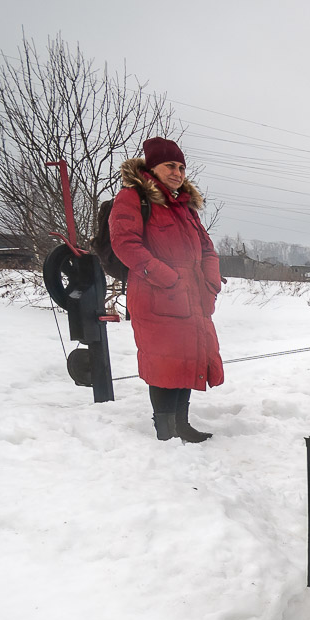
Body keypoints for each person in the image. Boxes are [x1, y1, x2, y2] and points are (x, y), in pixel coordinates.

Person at [108, 136, 223, 442]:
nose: (178, 173)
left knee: (189, 357)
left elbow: (207, 248)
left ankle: (181, 424)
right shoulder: (133, 197)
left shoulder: (185, 205)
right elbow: (125, 244)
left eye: (181, 167)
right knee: (164, 361)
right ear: (152, 167)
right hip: (156, 294)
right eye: (170, 166)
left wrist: (210, 283)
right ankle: (165, 430)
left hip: (192, 296)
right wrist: (167, 278)